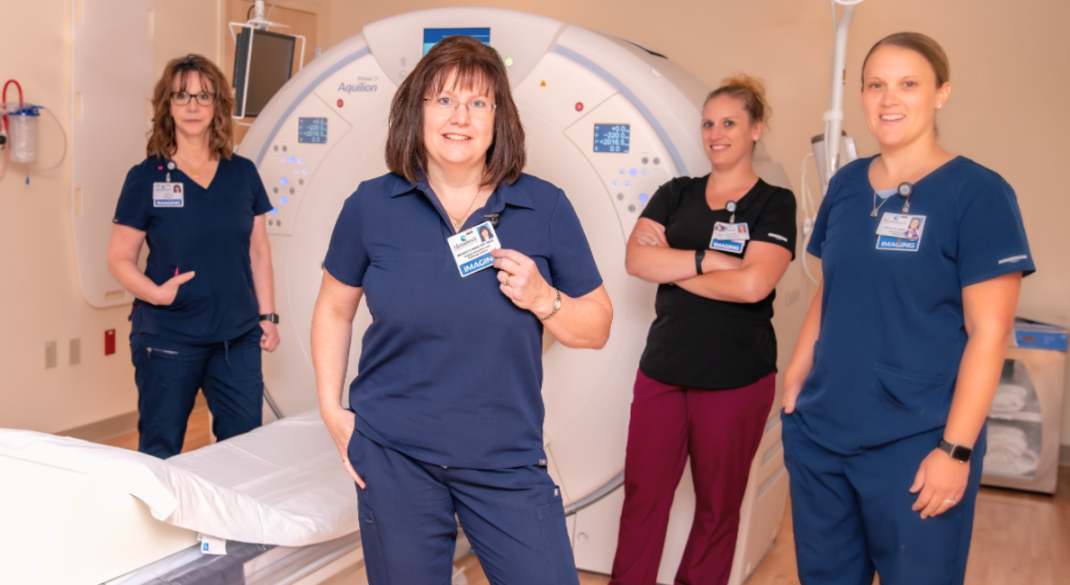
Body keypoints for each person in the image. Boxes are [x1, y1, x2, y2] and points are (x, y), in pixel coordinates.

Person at [311, 36, 612, 585]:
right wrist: (331, 410)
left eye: (478, 102)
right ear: (415, 111)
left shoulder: (543, 207)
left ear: (500, 118)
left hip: (504, 457)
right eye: (443, 100)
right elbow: (333, 309)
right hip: (394, 455)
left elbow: (596, 327)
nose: (460, 117)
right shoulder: (371, 207)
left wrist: (545, 299)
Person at [781, 33, 1034, 585]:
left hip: (916, 443)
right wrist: (796, 381)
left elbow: (989, 334)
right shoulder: (847, 184)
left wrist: (955, 450)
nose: (888, 99)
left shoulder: (978, 194)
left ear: (941, 94)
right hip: (822, 433)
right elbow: (833, 286)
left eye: (908, 84)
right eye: (876, 85)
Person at [611, 75, 797, 585]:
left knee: (717, 510)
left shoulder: (773, 202)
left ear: (755, 129)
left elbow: (753, 286)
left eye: (730, 123)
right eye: (709, 123)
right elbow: (635, 260)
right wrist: (706, 259)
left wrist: (672, 265)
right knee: (643, 498)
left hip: (736, 376)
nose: (716, 133)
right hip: (664, 370)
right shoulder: (677, 194)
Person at [107, 54, 280, 459]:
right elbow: (118, 258)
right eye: (181, 95)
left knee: (243, 450)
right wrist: (156, 293)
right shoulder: (146, 177)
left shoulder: (243, 174)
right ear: (167, 105)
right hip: (168, 338)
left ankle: (230, 525)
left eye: (203, 96)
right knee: (160, 450)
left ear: (218, 104)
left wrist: (267, 316)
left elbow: (259, 251)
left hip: (236, 338)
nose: (192, 106)